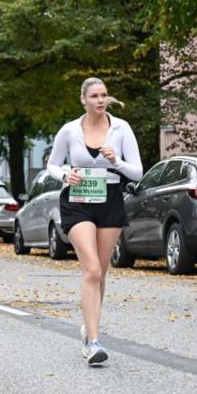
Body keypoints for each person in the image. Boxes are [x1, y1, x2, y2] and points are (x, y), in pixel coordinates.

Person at [47, 77, 143, 365]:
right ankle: (94, 341)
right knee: (91, 269)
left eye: (104, 95)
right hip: (77, 201)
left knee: (101, 272)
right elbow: (52, 164)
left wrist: (117, 162)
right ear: (83, 99)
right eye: (95, 96)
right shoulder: (69, 130)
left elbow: (137, 172)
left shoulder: (121, 128)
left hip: (110, 199)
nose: (101, 100)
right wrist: (66, 175)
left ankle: (89, 327)